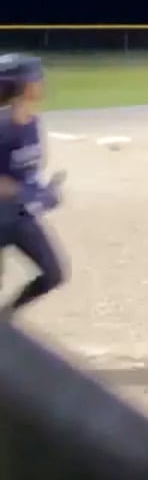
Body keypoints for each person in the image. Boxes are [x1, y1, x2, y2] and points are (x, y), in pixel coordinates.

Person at [0, 54, 67, 319]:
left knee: (53, 274)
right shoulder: (3, 126)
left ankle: (6, 318)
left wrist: (44, 191)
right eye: (36, 77)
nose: (42, 82)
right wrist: (29, 193)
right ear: (21, 84)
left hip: (19, 217)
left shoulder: (32, 123)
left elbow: (26, 172)